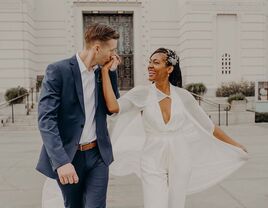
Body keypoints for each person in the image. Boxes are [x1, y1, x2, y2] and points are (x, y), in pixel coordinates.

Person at [101, 48, 249, 208]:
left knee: (176, 204)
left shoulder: (183, 96)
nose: (150, 66)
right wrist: (104, 72)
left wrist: (236, 145)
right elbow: (113, 106)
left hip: (180, 156)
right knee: (154, 204)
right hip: (152, 158)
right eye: (149, 62)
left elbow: (209, 127)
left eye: (156, 62)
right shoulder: (142, 93)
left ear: (169, 68)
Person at [36, 23, 121, 208]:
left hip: (98, 155)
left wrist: (109, 73)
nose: (114, 56)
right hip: (70, 156)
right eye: (112, 50)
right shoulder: (58, 71)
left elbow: (111, 108)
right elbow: (46, 120)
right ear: (97, 48)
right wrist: (61, 162)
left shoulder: (103, 72)